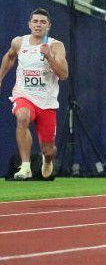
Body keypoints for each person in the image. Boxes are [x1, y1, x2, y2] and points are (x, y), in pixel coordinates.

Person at [0, 9, 69, 180]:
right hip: (24, 94)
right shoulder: (19, 42)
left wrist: (49, 58)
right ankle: (25, 166)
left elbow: (64, 75)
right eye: (35, 21)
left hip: (46, 101)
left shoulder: (55, 45)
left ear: (49, 26)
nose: (38, 25)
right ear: (29, 24)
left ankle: (47, 160)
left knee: (48, 150)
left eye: (43, 22)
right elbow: (9, 57)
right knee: (22, 116)